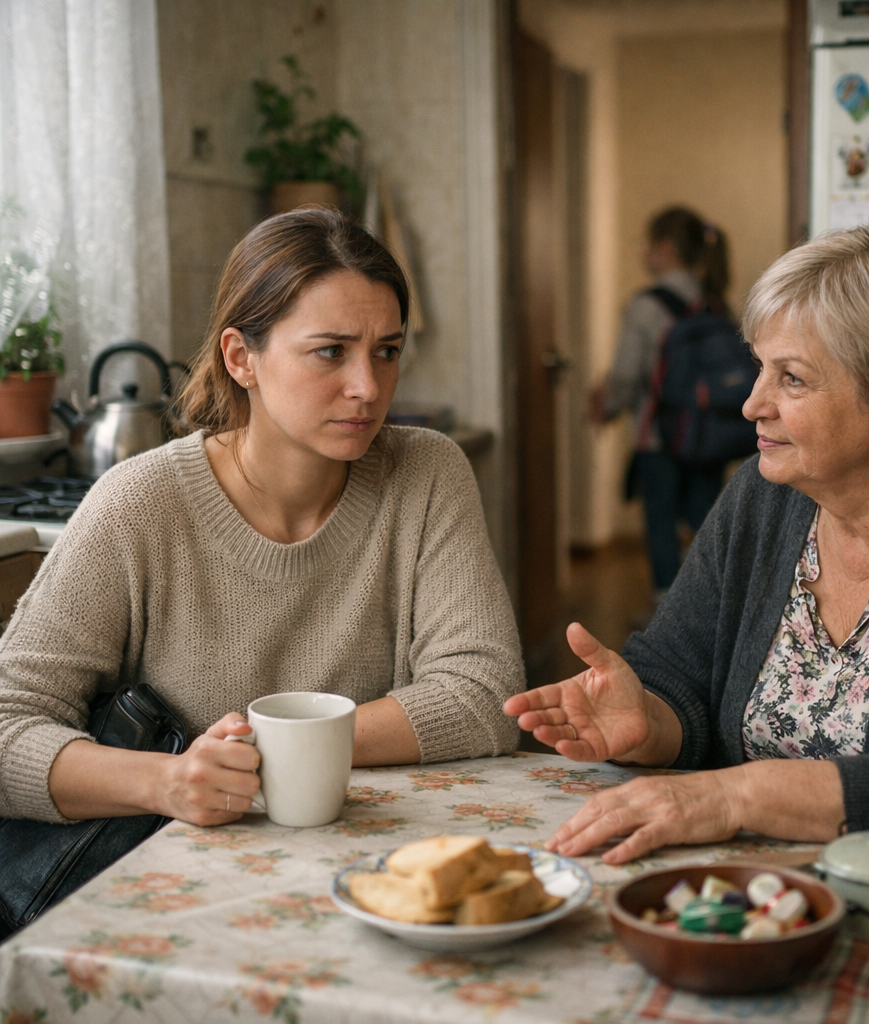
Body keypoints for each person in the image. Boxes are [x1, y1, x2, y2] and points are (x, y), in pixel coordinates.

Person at [508, 224, 869, 864]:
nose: (752, 403)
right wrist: (647, 717)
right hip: (745, 893)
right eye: (760, 368)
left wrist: (736, 797)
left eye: (793, 380)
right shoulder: (765, 492)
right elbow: (678, 674)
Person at [0, 207, 524, 827]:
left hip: (377, 858)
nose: (368, 385)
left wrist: (281, 745)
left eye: (387, 351)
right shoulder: (136, 504)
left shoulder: (429, 473)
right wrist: (166, 782)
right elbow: (9, 725)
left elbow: (485, 693)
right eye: (331, 351)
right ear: (240, 358)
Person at [590, 206, 733, 598]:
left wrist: (607, 407)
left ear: (665, 248)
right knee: (707, 526)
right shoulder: (715, 301)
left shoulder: (646, 305)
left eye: (646, 243)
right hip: (710, 436)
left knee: (661, 523)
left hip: (658, 436)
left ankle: (666, 619)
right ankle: (713, 613)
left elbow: (625, 373)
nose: (642, 251)